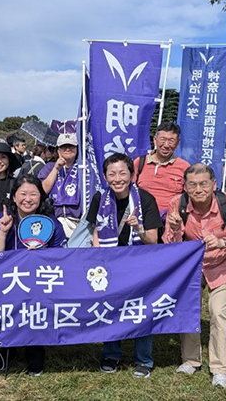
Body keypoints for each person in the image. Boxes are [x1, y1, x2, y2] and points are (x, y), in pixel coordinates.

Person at [164, 163, 226, 388]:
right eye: (192, 184)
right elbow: (169, 245)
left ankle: (221, 369)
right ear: (185, 186)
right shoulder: (177, 205)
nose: (198, 189)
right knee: (188, 310)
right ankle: (191, 360)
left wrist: (223, 242)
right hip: (191, 267)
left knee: (218, 312)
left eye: (204, 184)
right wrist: (173, 228)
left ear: (214, 184)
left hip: (223, 265)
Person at [87, 153, 162, 378]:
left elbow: (153, 240)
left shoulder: (145, 199)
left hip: (140, 263)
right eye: (112, 174)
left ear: (132, 174)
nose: (117, 178)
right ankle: (111, 354)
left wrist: (138, 227)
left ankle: (143, 359)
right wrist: (98, 258)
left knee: (142, 308)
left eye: (123, 173)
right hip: (110, 263)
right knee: (109, 308)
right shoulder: (101, 197)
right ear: (104, 176)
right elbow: (97, 231)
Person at [0, 174, 67, 376]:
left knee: (35, 311)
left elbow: (62, 257)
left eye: (33, 193)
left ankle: (35, 351)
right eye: (22, 194)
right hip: (7, 281)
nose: (28, 199)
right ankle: (5, 351)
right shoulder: (1, 219)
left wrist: (42, 256)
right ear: (14, 197)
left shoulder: (51, 223)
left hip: (39, 283)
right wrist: (3, 233)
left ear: (41, 197)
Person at [133, 122, 190, 214]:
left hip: (170, 220)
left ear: (177, 143)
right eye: (162, 139)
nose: (166, 145)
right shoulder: (139, 162)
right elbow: (130, 190)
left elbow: (190, 196)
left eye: (171, 140)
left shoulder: (184, 167)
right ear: (155, 140)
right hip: (141, 218)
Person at [38, 133, 82, 238]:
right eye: (63, 147)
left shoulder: (83, 168)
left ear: (76, 149)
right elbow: (43, 190)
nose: (67, 149)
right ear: (58, 150)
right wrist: (56, 169)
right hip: (55, 220)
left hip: (78, 222)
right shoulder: (49, 167)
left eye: (71, 146)